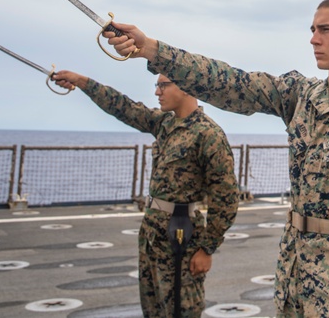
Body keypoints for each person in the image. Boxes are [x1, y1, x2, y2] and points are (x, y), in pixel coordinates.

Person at [103, 0, 329, 318]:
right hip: (294, 269)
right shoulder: (300, 96)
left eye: (325, 30)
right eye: (312, 30)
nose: (314, 39)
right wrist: (150, 49)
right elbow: (228, 83)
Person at [52, 70, 238, 318]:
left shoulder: (208, 135)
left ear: (184, 86)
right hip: (152, 232)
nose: (157, 92)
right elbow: (123, 107)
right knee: (153, 308)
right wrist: (83, 82)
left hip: (181, 233)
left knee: (182, 310)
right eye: (157, 85)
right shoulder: (164, 123)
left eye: (163, 85)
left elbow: (226, 199)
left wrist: (207, 248)